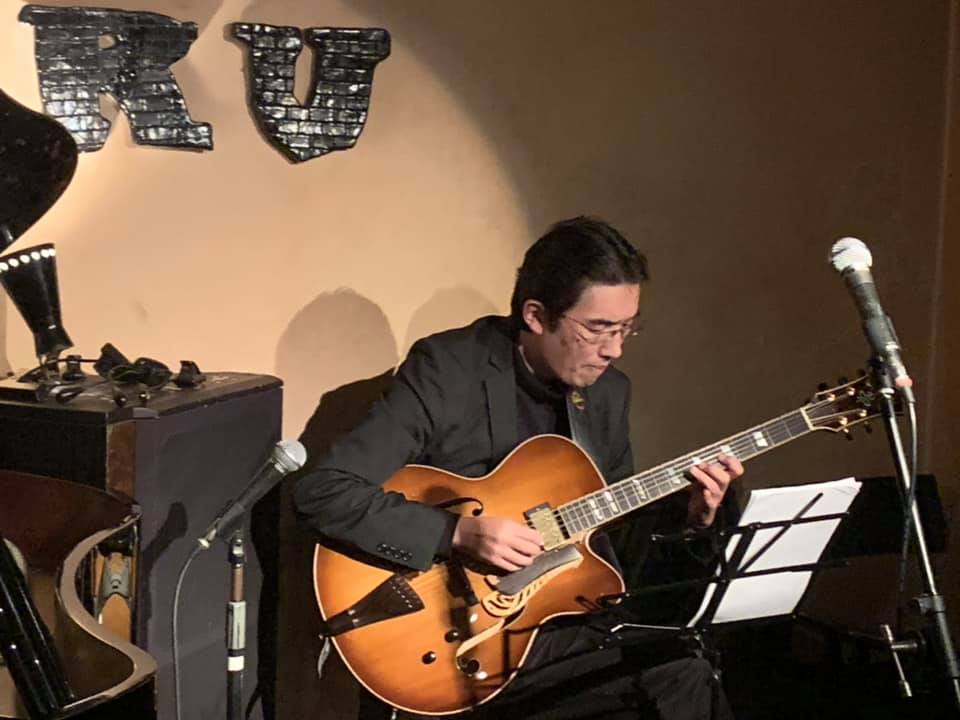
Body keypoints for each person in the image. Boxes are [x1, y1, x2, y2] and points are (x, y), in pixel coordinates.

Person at [293, 216, 744, 719]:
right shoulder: (450, 370)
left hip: (563, 620)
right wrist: (456, 533)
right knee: (678, 678)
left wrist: (694, 519)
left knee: (688, 662)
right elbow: (323, 490)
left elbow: (617, 546)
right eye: (598, 329)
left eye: (626, 329)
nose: (614, 350)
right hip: (454, 638)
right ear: (535, 315)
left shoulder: (607, 394)